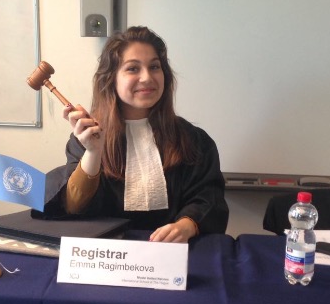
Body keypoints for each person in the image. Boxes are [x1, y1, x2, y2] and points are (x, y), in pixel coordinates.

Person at [42, 26, 228, 242]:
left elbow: (209, 198)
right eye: (132, 68)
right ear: (111, 78)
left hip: (173, 252)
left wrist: (187, 225)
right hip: (108, 254)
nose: (147, 77)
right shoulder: (85, 138)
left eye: (154, 67)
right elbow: (74, 206)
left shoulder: (194, 140)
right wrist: (93, 152)